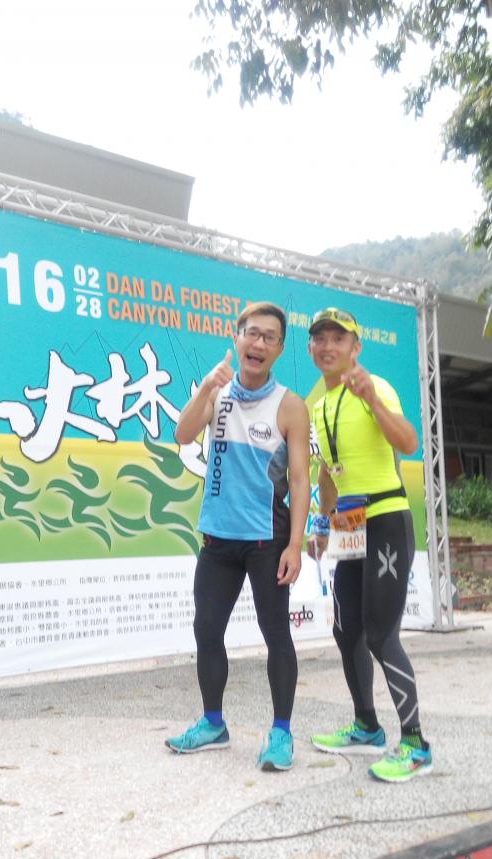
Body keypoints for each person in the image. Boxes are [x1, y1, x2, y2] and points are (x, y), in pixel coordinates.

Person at [166, 301, 310, 771]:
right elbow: (183, 434)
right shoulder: (219, 394)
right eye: (252, 333)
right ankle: (213, 723)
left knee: (276, 635)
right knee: (207, 630)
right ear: (237, 337)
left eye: (269, 337)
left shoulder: (290, 406)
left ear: (279, 348)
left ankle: (281, 733)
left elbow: (301, 480)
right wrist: (206, 387)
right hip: (218, 538)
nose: (259, 343)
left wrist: (295, 546)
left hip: (268, 540)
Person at [306, 307, 432, 783]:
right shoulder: (319, 406)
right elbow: (327, 473)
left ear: (355, 348)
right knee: (346, 631)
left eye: (338, 338)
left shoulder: (374, 387)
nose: (328, 346)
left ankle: (416, 745)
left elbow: (408, 441)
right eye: (320, 339)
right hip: (349, 523)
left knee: (381, 635)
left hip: (385, 518)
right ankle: (366, 726)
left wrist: (373, 401)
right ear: (311, 348)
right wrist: (322, 525)